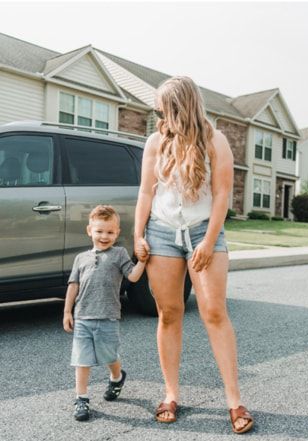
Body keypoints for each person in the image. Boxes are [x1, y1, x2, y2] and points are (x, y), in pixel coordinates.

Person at [133, 76, 253, 433]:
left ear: (179, 107)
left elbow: (221, 196)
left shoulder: (215, 140)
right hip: (161, 234)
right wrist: (138, 235)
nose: (157, 115)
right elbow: (145, 193)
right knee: (169, 313)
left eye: (162, 109)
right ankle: (171, 394)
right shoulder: (155, 142)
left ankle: (234, 400)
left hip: (204, 233)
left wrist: (208, 241)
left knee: (214, 312)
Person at [63, 205, 147, 421]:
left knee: (109, 356)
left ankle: (117, 377)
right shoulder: (81, 258)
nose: (104, 236)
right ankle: (81, 399)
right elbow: (73, 285)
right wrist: (67, 312)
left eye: (110, 232)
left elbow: (134, 277)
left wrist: (143, 261)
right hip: (83, 317)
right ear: (89, 230)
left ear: (117, 233)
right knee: (82, 360)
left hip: (109, 316)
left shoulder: (119, 253)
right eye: (99, 231)